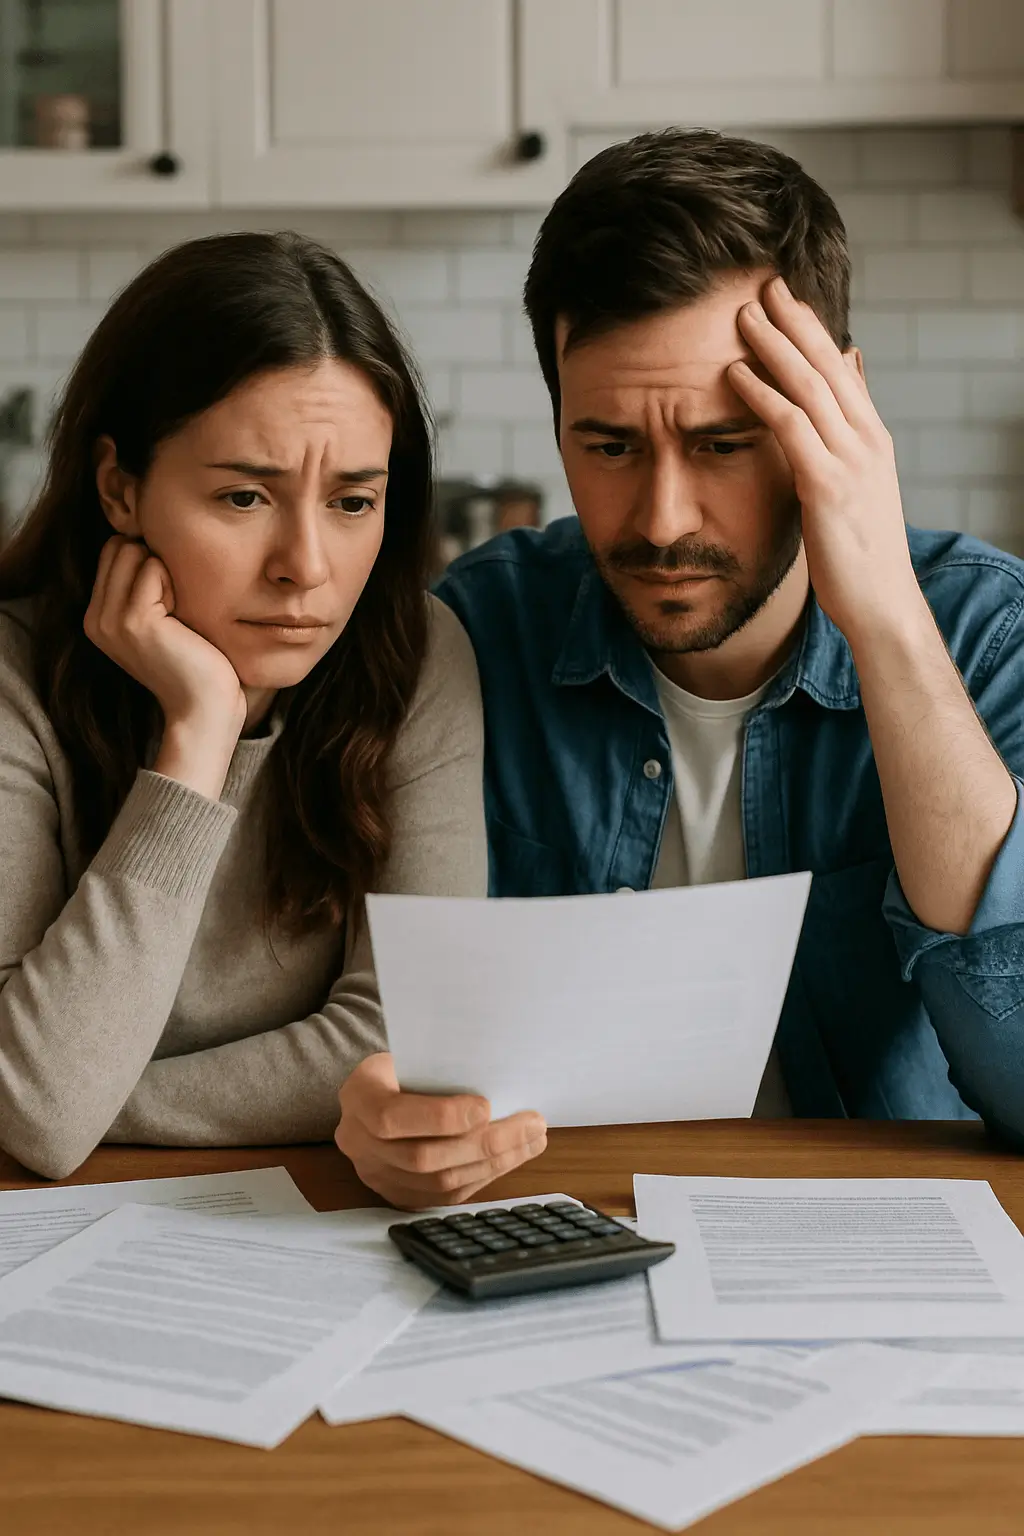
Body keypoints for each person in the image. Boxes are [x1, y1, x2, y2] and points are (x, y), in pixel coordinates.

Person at [436, 128, 1024, 1140]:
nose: (662, 520)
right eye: (609, 445)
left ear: (831, 409)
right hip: (566, 1230)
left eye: (720, 444)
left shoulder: (987, 637)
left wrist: (886, 625)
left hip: (866, 1253)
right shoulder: (476, 636)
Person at [0, 231, 546, 1201]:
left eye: (351, 501)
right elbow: (39, 1117)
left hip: (303, 1226)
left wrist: (84, 1091)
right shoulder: (12, 676)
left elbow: (402, 1038)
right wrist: (199, 733)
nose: (306, 565)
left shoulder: (417, 656)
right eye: (245, 495)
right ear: (120, 485)